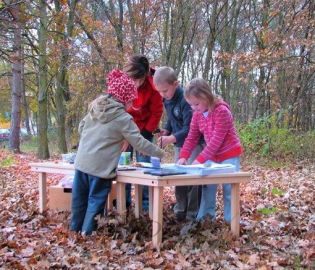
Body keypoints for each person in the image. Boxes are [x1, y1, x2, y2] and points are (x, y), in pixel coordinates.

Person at [71, 69, 164, 235]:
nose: (132, 104)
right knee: (95, 201)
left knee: (79, 199)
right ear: (126, 99)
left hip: (81, 163)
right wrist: (160, 153)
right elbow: (140, 143)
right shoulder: (122, 118)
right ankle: (87, 233)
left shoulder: (95, 107)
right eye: (131, 100)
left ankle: (75, 231)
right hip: (101, 169)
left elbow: (81, 127)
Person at [177, 78, 242, 223]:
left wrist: (199, 159)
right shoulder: (197, 115)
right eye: (191, 104)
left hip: (229, 154)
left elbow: (215, 142)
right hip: (212, 157)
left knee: (229, 189)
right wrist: (184, 156)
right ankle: (205, 219)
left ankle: (232, 221)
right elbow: (192, 137)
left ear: (206, 96)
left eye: (196, 103)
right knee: (207, 187)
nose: (194, 107)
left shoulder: (222, 111)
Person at [153, 67, 203, 221]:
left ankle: (192, 212)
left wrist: (172, 138)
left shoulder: (186, 100)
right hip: (179, 145)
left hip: (195, 144)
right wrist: (166, 131)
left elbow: (190, 128)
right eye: (159, 92)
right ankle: (180, 209)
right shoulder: (167, 99)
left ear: (176, 84)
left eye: (165, 91)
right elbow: (171, 119)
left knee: (194, 177)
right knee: (178, 175)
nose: (162, 95)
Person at [123, 54, 163, 210]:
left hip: (144, 129)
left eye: (138, 80)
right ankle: (123, 203)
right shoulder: (122, 84)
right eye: (132, 80)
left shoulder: (154, 87)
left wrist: (145, 134)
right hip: (126, 128)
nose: (135, 84)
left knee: (145, 167)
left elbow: (157, 112)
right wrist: (124, 133)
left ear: (145, 76)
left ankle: (145, 205)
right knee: (123, 166)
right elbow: (118, 109)